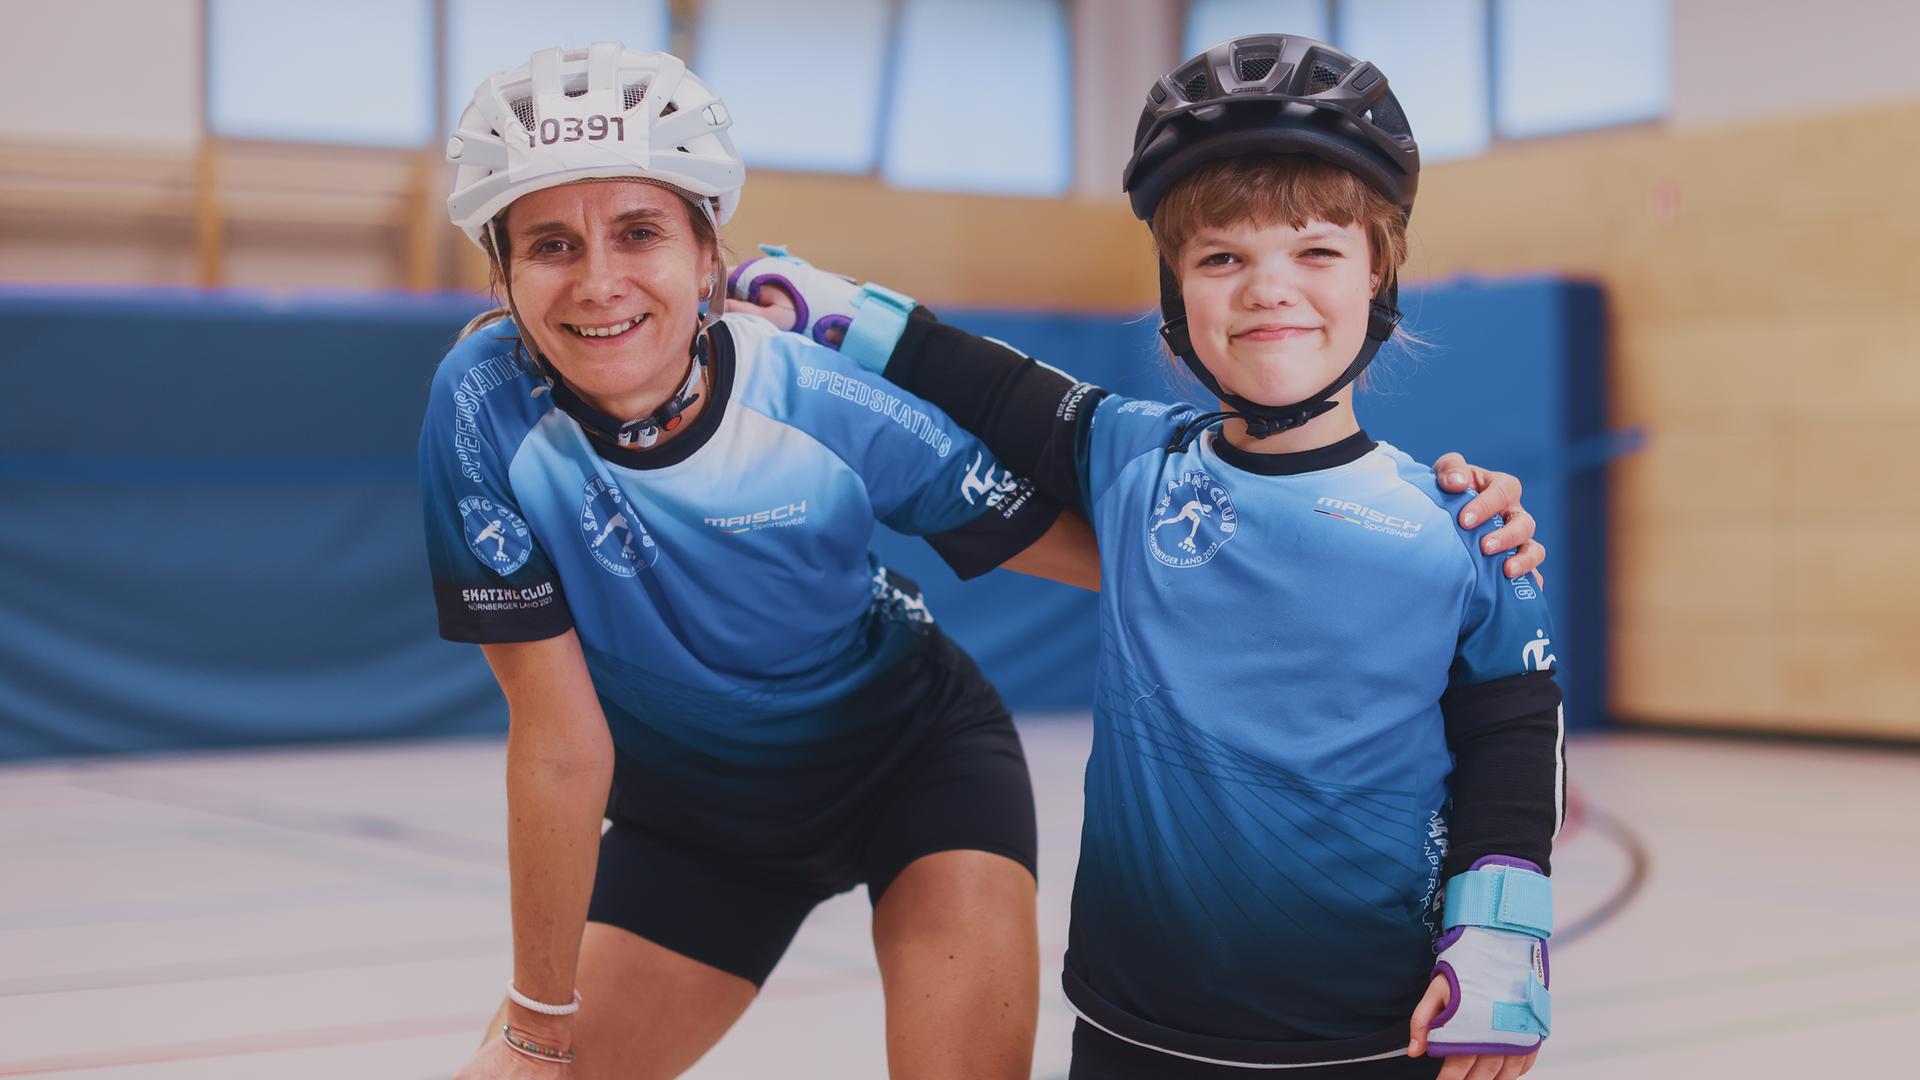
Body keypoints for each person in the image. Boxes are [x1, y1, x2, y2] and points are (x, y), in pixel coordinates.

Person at [728, 33, 1562, 1080]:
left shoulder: (1466, 528)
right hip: (1134, 1030)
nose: (1269, 289)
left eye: (1315, 251)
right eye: (1222, 256)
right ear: (1174, 295)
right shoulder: (1133, 461)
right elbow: (982, 381)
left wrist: (1500, 934)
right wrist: (831, 307)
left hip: (1371, 1032)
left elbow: (1515, 737)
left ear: (1380, 275)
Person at [421, 43, 1096, 1080]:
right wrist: (536, 1026)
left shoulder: (817, 398)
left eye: (639, 232)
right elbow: (558, 742)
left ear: (708, 258)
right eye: (551, 244)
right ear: (503, 274)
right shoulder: (480, 407)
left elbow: (1093, 556)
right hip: (698, 828)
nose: (599, 282)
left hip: (913, 768)